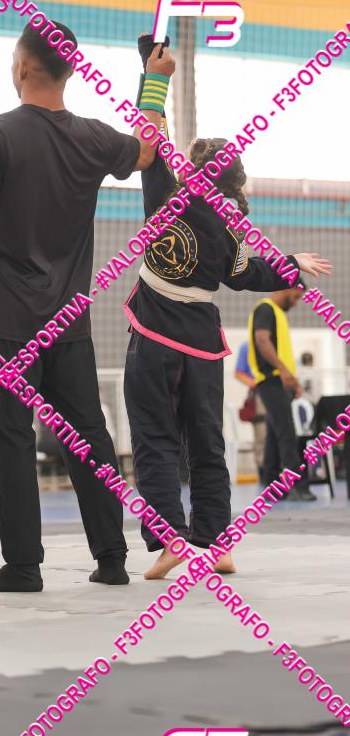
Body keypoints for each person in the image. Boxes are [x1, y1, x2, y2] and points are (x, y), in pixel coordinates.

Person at [0, 22, 175, 593]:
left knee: (11, 440)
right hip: (68, 326)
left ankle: (24, 567)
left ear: (22, 67)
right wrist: (153, 80)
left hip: (3, 324)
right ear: (69, 72)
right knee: (88, 437)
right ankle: (112, 558)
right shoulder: (94, 138)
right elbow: (149, 149)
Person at [123, 123, 332, 580]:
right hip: (201, 345)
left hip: (154, 335)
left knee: (154, 439)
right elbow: (242, 276)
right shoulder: (231, 225)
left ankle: (171, 540)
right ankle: (218, 544)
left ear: (192, 167)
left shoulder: (165, 194)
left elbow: (149, 133)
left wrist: (152, 87)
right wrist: (291, 264)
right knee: (207, 442)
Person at [248, 288, 318, 501]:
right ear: (287, 288)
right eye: (296, 297)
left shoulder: (277, 313)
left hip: (281, 381)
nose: (296, 303)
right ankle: (298, 486)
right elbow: (262, 340)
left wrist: (293, 383)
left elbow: (282, 354)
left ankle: (272, 487)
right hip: (271, 380)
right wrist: (283, 371)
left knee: (274, 434)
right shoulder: (265, 309)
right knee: (287, 433)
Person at [234, 341, 267, 481]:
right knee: (261, 434)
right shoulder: (247, 346)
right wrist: (256, 384)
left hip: (278, 391)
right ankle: (263, 472)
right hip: (260, 393)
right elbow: (238, 373)